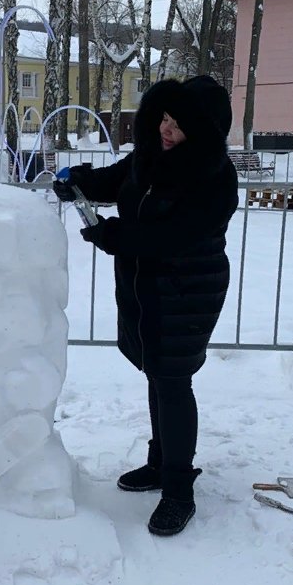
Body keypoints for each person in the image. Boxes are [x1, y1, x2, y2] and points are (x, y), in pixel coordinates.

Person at [54, 76, 238, 536]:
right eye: (164, 119)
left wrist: (117, 237)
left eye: (178, 124)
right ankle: (160, 464)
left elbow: (174, 236)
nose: (166, 130)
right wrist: (78, 181)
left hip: (188, 289)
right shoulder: (151, 155)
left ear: (205, 129)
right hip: (147, 286)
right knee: (158, 372)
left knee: (173, 380)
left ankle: (179, 490)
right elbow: (116, 179)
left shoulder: (215, 177)